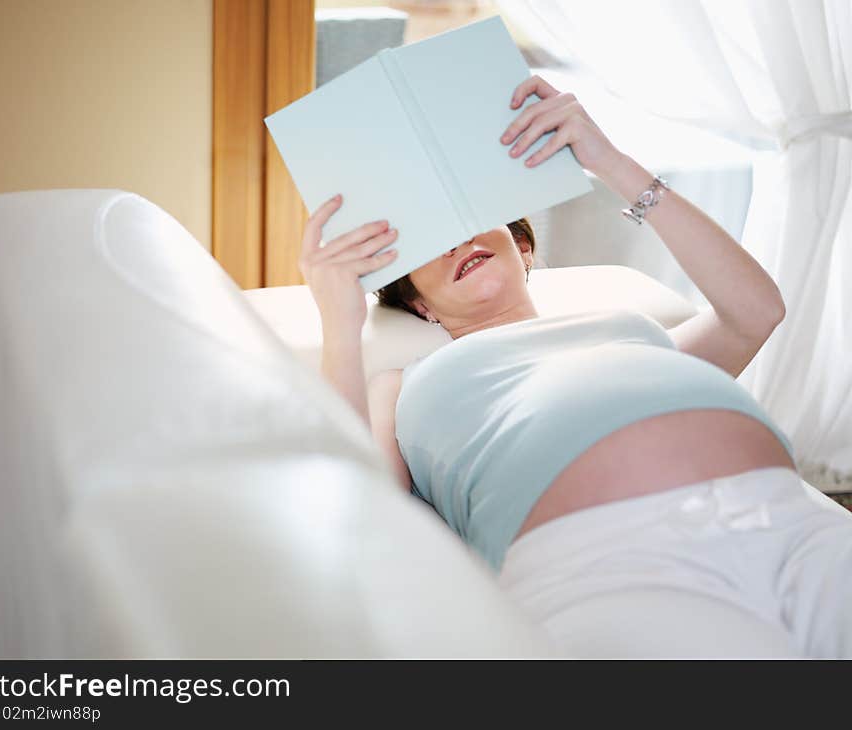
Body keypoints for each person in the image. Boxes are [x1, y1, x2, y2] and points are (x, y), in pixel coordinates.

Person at [297, 74, 852, 658]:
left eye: (468, 223)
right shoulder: (401, 385)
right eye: (430, 246)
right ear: (417, 304)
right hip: (607, 563)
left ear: (524, 249)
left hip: (784, 520)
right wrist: (338, 319)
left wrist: (610, 161)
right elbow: (352, 501)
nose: (456, 243)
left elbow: (756, 312)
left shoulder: (628, 332)